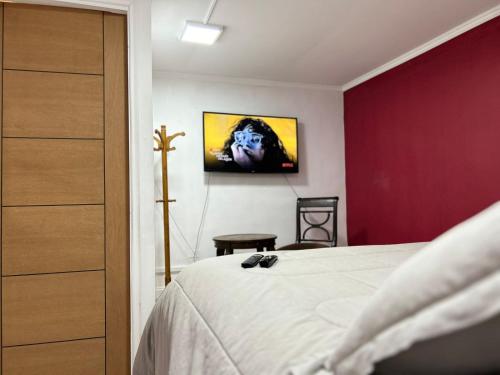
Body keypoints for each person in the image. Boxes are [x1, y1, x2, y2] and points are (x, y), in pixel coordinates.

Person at [221, 117, 293, 172]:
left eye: (255, 140)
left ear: (267, 146)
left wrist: (249, 168)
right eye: (242, 138)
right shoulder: (225, 169)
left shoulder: (285, 168)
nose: (245, 144)